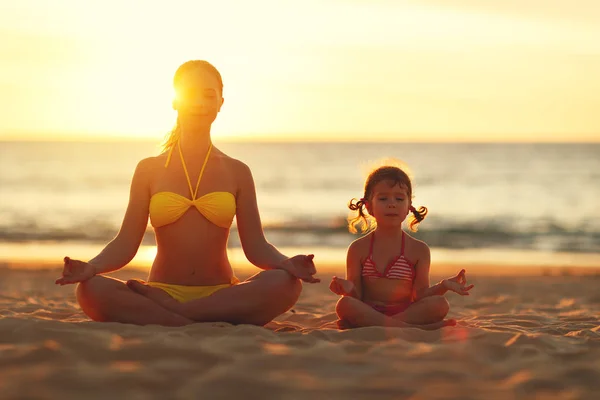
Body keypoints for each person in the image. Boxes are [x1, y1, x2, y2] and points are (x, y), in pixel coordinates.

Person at [55, 60, 319, 326]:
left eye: (209, 95)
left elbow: (257, 247)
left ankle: (174, 315)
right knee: (90, 289)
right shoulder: (149, 169)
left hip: (221, 293)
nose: (200, 103)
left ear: (221, 103)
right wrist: (92, 267)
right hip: (160, 289)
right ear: (175, 101)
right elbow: (125, 243)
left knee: (286, 283)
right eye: (191, 93)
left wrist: (288, 264)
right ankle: (200, 317)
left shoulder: (238, 171)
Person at [329, 164, 473, 329]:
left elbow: (420, 296)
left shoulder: (419, 250)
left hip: (406, 312)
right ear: (369, 207)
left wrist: (444, 285)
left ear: (408, 207)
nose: (392, 204)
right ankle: (409, 327)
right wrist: (347, 289)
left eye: (399, 199)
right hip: (370, 310)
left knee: (440, 304)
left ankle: (388, 325)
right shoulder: (358, 248)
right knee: (344, 304)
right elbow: (357, 296)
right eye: (383, 199)